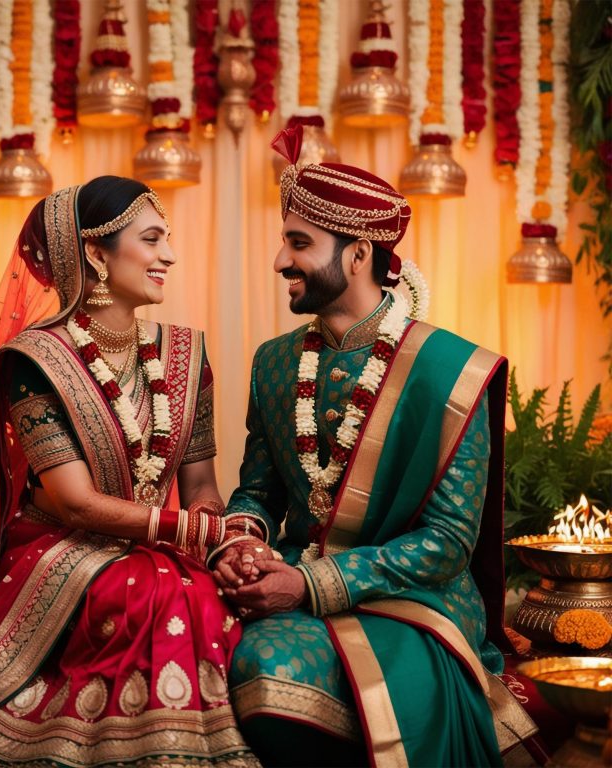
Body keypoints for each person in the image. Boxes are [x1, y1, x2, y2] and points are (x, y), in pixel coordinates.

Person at [212, 127, 537, 768]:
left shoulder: (448, 371)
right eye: (284, 241)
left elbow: (446, 545)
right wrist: (243, 545)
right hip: (285, 576)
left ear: (359, 254)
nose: (280, 261)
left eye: (298, 244)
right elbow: (256, 491)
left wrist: (310, 585)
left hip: (417, 599)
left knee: (266, 671)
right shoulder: (275, 363)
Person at [0, 178, 259, 767]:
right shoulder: (36, 362)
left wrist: (222, 538)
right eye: (151, 239)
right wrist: (198, 532)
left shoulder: (186, 354)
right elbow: (73, 502)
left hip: (166, 540)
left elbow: (201, 486)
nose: (169, 256)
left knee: (212, 590)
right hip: (66, 545)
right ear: (97, 254)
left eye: (168, 240)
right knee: (153, 595)